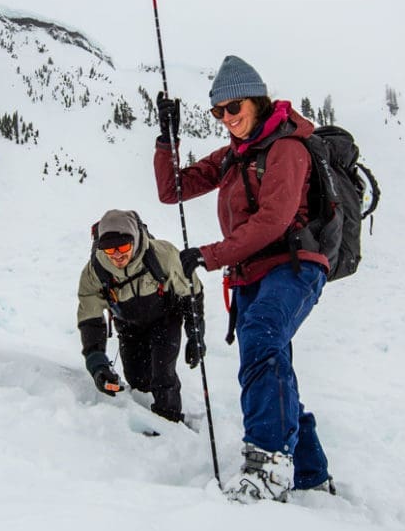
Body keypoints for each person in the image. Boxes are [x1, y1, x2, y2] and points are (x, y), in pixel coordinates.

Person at [153, 55, 334, 502]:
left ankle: (268, 463)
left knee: (262, 336)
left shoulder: (286, 148)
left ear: (256, 100)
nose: (227, 119)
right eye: (219, 112)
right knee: (269, 355)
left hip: (294, 265)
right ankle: (310, 473)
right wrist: (166, 140)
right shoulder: (235, 156)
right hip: (252, 269)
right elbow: (172, 189)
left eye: (234, 108)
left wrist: (209, 255)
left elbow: (274, 219)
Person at [76, 209, 205, 423]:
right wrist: (97, 364)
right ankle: (144, 427)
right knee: (138, 379)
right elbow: (90, 318)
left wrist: (195, 334)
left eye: (123, 247)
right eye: (109, 250)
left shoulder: (163, 255)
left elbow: (192, 292)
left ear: (135, 240)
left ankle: (170, 425)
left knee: (163, 375)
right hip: (128, 325)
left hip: (165, 318)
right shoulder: (94, 273)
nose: (117, 255)